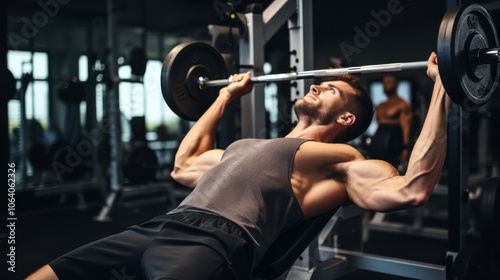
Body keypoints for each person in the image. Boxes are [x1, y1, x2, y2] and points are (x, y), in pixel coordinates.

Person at [27, 52, 450, 280]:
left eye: (332, 89)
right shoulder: (247, 145)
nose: (317, 84)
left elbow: (412, 188)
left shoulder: (341, 160)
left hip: (216, 242)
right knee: (48, 274)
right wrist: (225, 96)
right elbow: (184, 165)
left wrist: (442, 90)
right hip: (163, 224)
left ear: (346, 120)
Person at [374, 74, 414, 162]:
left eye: (388, 82)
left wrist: (405, 149)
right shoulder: (381, 105)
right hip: (378, 146)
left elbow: (406, 128)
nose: (385, 85)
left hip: (394, 148)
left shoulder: (403, 104)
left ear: (396, 84)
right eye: (384, 82)